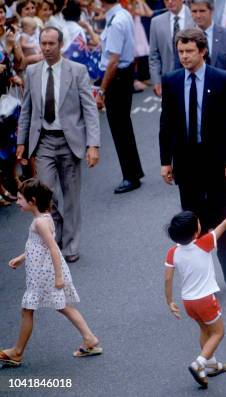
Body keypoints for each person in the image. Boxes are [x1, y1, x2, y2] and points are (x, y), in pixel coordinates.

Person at [159, 28, 226, 287]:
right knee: (193, 219)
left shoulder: (222, 80)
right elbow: (167, 124)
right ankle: (202, 272)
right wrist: (165, 162)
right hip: (187, 163)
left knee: (222, 215)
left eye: (189, 51)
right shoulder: (172, 81)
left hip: (217, 161)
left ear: (202, 51)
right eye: (180, 51)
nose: (184, 56)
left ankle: (225, 253)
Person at [16, 26, 101, 264]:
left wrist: (93, 144)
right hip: (43, 142)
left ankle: (71, 245)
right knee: (45, 195)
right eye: (43, 43)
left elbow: (89, 109)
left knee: (71, 197)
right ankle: (57, 232)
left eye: (51, 44)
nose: (46, 48)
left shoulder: (77, 71)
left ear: (60, 45)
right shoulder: (32, 72)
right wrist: (21, 141)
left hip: (70, 141)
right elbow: (26, 110)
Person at [0, 179, 102, 368]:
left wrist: (59, 277)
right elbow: (39, 246)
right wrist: (22, 258)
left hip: (43, 273)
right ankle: (90, 339)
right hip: (44, 270)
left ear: (32, 201)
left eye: (20, 199)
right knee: (63, 305)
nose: (17, 202)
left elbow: (54, 249)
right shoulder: (45, 218)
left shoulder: (39, 223)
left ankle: (17, 352)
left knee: (27, 309)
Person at [164, 201, 226, 388]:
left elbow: (168, 279)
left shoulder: (172, 252)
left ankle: (211, 365)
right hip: (205, 300)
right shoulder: (204, 243)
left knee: (205, 330)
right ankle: (199, 364)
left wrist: (170, 301)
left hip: (188, 302)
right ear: (196, 232)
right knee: (218, 332)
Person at [97, 0, 144, 194]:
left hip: (117, 77)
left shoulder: (116, 20)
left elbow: (113, 60)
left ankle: (131, 176)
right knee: (123, 126)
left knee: (119, 128)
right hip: (123, 74)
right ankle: (134, 172)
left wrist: (102, 90)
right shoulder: (121, 14)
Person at [189, 0, 226, 87]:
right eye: (194, 11)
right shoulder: (184, 36)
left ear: (212, 11)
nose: (198, 15)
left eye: (202, 11)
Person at [149, 0, 194, 97]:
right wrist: (156, 80)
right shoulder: (156, 22)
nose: (169, 1)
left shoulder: (196, 17)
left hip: (195, 79)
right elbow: (154, 55)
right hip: (169, 81)